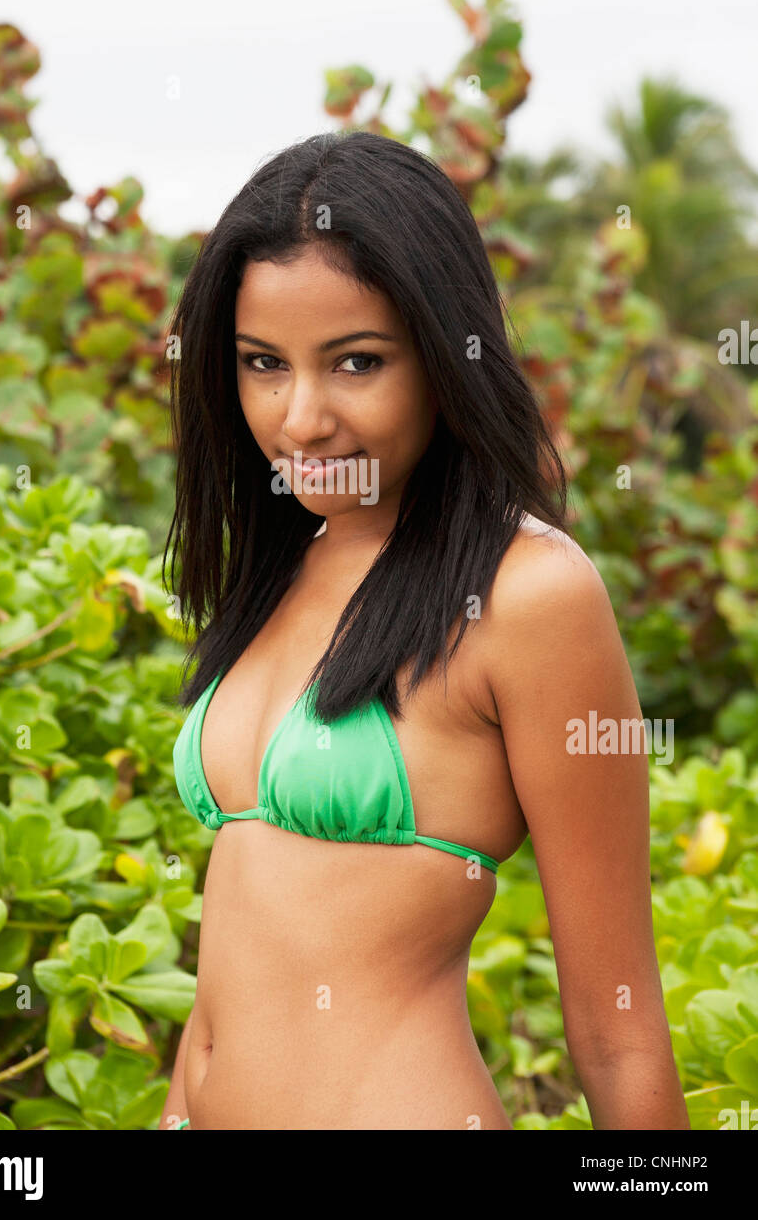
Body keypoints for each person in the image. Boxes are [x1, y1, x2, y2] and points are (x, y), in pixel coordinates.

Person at [158, 131, 688, 1131]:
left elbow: (615, 1023)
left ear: (446, 353)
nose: (301, 416)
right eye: (262, 364)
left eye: (355, 362)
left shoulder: (527, 596)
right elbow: (232, 978)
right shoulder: (285, 566)